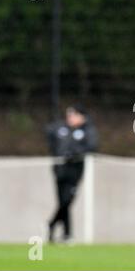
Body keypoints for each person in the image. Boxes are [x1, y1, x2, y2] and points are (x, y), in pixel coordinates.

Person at [46, 104, 98, 243]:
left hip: (74, 172)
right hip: (60, 170)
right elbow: (50, 135)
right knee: (62, 202)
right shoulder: (62, 129)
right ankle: (67, 234)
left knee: (67, 201)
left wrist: (74, 153)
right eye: (69, 115)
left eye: (73, 115)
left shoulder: (87, 130)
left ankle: (51, 224)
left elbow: (92, 146)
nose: (70, 118)